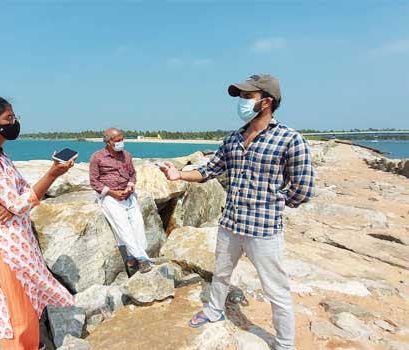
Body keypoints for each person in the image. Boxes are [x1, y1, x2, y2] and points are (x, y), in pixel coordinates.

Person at [159, 74, 314, 350]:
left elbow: (302, 189)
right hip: (230, 224)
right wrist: (178, 174)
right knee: (221, 273)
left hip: (263, 231)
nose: (241, 102)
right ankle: (214, 310)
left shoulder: (290, 139)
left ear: (266, 102)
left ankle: (284, 344)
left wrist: (273, 204)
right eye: (240, 97)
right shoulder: (233, 139)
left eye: (247, 97)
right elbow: (209, 170)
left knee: (276, 290)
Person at [0, 95, 76, 350]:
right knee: (15, 315)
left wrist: (12, 206)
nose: (14, 123)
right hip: (5, 246)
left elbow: (21, 194)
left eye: (14, 118)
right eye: (8, 119)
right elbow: (20, 203)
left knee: (27, 308)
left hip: (20, 242)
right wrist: (52, 174)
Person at [89, 128, 152, 274]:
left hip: (127, 194)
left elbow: (132, 175)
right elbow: (94, 182)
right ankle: (141, 258)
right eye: (117, 140)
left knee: (138, 224)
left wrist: (129, 187)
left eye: (122, 139)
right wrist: (112, 193)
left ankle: (131, 256)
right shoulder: (97, 157)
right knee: (123, 225)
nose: (121, 143)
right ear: (108, 142)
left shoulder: (127, 155)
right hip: (109, 196)